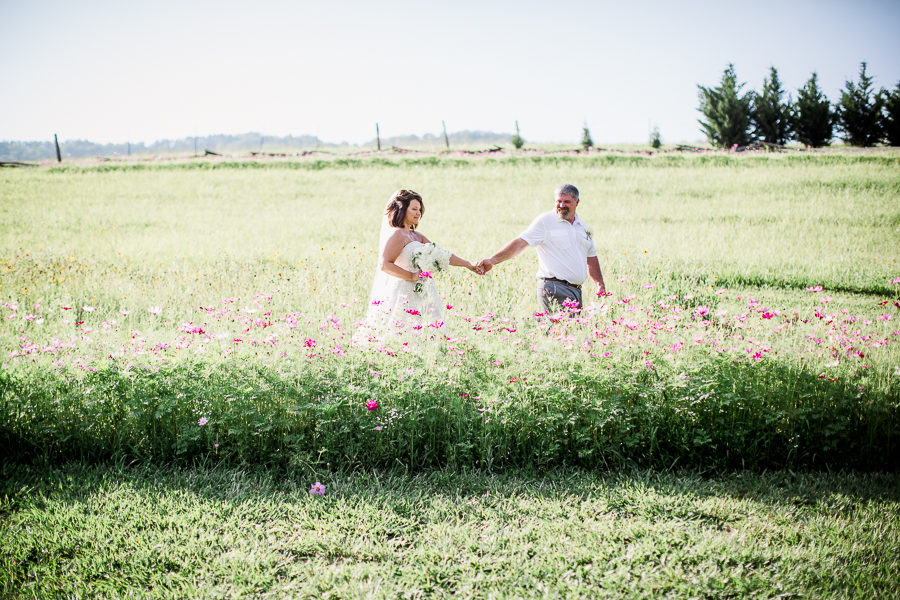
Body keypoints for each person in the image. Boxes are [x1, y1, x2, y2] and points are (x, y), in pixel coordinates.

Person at [354, 189, 479, 343]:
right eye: (414, 209)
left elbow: (442, 254)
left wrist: (468, 265)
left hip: (424, 290)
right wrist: (412, 276)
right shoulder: (398, 235)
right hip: (403, 291)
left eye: (420, 209)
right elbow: (385, 264)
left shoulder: (417, 236)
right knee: (402, 331)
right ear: (402, 210)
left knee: (429, 329)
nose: (418, 213)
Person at [476, 183, 606, 312]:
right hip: (554, 287)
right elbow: (520, 243)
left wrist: (599, 283)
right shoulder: (545, 222)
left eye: (567, 202)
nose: (561, 205)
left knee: (569, 330)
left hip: (575, 290)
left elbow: (591, 258)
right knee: (563, 329)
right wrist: (493, 260)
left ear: (577, 202)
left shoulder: (584, 228)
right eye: (558, 201)